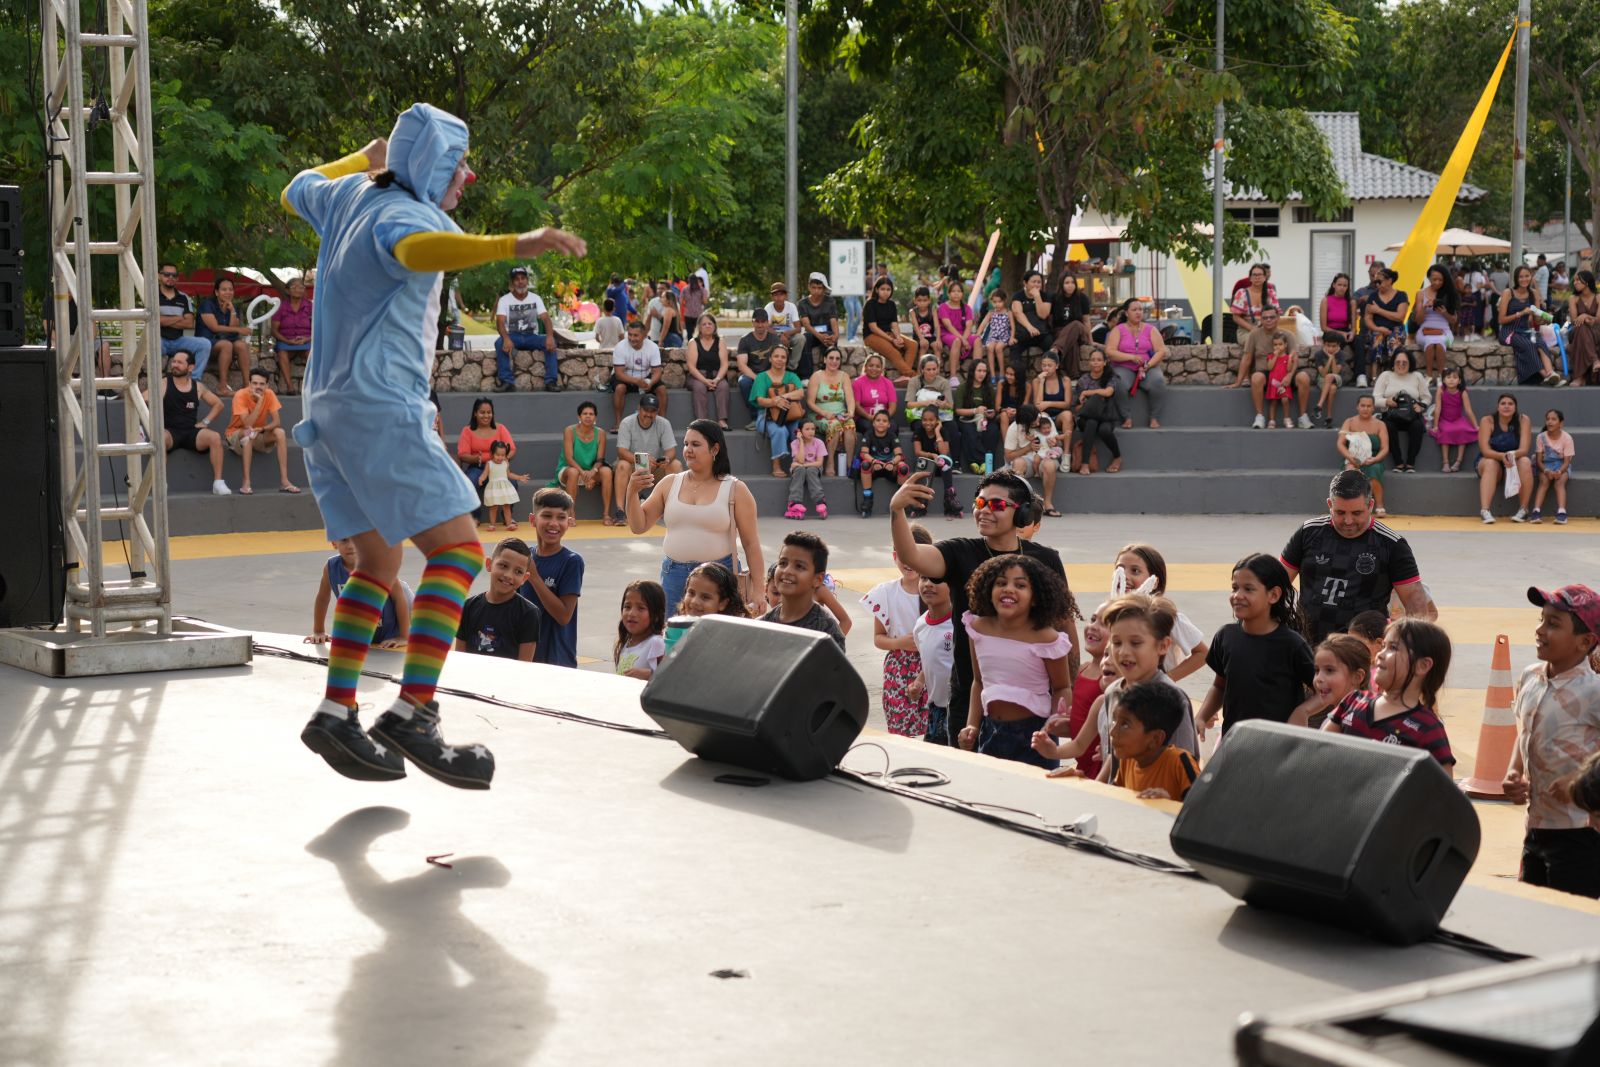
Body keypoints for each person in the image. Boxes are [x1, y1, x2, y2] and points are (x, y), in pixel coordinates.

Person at [282, 104, 586, 788]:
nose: (468, 176)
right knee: (458, 551)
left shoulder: (349, 192)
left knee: (378, 562)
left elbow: (294, 184)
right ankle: (414, 709)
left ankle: (336, 709)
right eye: (457, 164)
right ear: (426, 167)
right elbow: (417, 252)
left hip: (323, 409)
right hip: (379, 404)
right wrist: (514, 243)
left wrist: (358, 159)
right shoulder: (409, 218)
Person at [889, 469, 1077, 743]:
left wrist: (1067, 696)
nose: (984, 511)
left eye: (997, 505)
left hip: (1033, 704)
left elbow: (1064, 626)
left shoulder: (1046, 559)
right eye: (980, 503)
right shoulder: (959, 552)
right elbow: (912, 555)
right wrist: (896, 511)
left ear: (1022, 514)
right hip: (970, 699)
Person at [1035, 592, 1199, 779]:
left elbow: (1185, 769)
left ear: (1163, 646)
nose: (1123, 652)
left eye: (1135, 643)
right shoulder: (1113, 692)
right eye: (1117, 642)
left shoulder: (1172, 700)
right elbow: (1114, 758)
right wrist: (1096, 789)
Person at [1503, 585, 1600, 898]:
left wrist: (1579, 780)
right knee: (1532, 912)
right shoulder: (1530, 677)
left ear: (1585, 642)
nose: (1540, 630)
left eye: (1554, 624)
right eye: (1541, 619)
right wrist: (1514, 772)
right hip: (1536, 826)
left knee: (1571, 921)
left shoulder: (1594, 692)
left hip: (1581, 832)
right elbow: (1526, 731)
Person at [627, 419, 766, 616]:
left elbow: (751, 544)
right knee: (674, 637)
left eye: (695, 444)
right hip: (674, 575)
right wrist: (632, 492)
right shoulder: (669, 483)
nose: (688, 450)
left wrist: (759, 590)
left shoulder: (736, 489)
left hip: (719, 578)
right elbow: (638, 526)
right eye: (685, 444)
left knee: (716, 638)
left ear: (715, 449)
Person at [956, 554, 1074, 768]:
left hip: (1035, 735)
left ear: (1035, 597)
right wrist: (971, 725)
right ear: (989, 591)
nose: (1009, 589)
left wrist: (1053, 724)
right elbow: (979, 682)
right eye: (1001, 583)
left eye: (1020, 585)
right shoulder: (978, 629)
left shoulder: (1047, 638)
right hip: (990, 730)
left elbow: (1062, 687)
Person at [1280, 469, 1427, 642]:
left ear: (1371, 506)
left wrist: (1407, 649)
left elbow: (1415, 602)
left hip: (1361, 651)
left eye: (1357, 513)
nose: (1348, 521)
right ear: (1329, 505)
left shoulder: (1392, 544)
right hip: (1305, 644)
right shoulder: (1308, 532)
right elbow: (1276, 583)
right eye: (1340, 512)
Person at [1196, 554, 1314, 739]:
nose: (1237, 595)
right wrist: (1202, 716)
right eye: (1235, 588)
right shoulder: (1225, 636)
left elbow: (1325, 690)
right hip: (1235, 741)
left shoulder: (1292, 644)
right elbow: (1220, 686)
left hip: (1279, 746)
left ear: (1273, 595)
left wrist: (1303, 711)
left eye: (1248, 589)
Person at [1324, 618, 1454, 767]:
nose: (1380, 654)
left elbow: (1443, 789)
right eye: (1383, 646)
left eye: (1393, 647)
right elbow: (1316, 752)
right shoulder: (1353, 701)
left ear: (1423, 666)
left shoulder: (1428, 729)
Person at [862, 528, 932, 737]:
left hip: (931, 665)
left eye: (915, 553)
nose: (908, 561)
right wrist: (899, 642)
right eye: (903, 554)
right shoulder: (885, 593)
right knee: (899, 728)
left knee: (933, 727)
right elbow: (878, 638)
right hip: (898, 668)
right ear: (895, 556)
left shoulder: (937, 591)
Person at [1110, 543, 1208, 682]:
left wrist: (1165, 680)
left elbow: (1202, 653)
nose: (1125, 576)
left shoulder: (1166, 617)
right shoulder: (1111, 613)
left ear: (1154, 582)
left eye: (1135, 571)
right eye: (1119, 569)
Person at [306, 536, 412, 651]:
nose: (351, 546)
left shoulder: (378, 564)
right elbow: (323, 598)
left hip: (392, 627)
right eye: (344, 540)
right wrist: (319, 631)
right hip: (361, 630)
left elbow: (399, 598)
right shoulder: (331, 567)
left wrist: (403, 636)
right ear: (334, 543)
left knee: (403, 590)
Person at [147, 351, 230, 495]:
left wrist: (205, 422)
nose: (175, 365)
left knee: (215, 437)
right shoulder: (164, 383)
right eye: (174, 362)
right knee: (160, 438)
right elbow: (141, 398)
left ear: (190, 367)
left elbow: (219, 404)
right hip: (170, 432)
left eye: (180, 362)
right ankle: (160, 483)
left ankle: (218, 483)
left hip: (191, 432)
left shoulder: (198, 387)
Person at [518, 487, 585, 668]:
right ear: (533, 520)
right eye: (547, 516)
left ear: (569, 522)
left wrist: (534, 577)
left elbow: (563, 616)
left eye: (561, 517)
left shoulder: (571, 562)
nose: (554, 523)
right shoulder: (524, 558)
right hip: (526, 657)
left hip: (557, 660)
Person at [1100, 682, 1201, 801]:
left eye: (1125, 725)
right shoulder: (1127, 759)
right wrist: (1081, 782)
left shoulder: (1181, 763)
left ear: (1155, 739)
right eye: (1114, 721)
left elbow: (1203, 809)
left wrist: (1169, 803)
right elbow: (1116, 799)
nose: (1112, 732)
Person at [455, 537, 540, 662]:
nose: (508, 575)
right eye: (503, 565)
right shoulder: (468, 607)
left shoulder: (528, 613)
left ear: (524, 578)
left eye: (518, 571)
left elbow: (524, 667)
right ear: (489, 564)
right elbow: (460, 658)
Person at [760, 531, 845, 650]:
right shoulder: (763, 624)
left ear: (818, 579)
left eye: (799, 566)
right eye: (783, 563)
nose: (787, 571)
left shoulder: (826, 631)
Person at [226, 367, 301, 495]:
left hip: (257, 434)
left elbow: (277, 422)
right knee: (248, 433)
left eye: (262, 384)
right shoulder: (240, 395)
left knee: (280, 433)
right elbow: (247, 424)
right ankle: (246, 483)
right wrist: (260, 402)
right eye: (254, 383)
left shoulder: (270, 394)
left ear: (267, 385)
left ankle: (284, 481)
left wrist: (263, 428)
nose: (258, 387)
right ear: (249, 384)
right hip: (236, 434)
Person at [612, 394, 682, 525]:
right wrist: (641, 459)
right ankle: (620, 512)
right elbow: (621, 452)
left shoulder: (664, 423)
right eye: (646, 410)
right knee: (622, 465)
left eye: (653, 411)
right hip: (632, 466)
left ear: (657, 411)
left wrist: (667, 458)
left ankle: (675, 508)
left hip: (654, 466)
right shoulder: (627, 422)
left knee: (676, 464)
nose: (649, 414)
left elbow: (671, 450)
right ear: (639, 409)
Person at [1238, 305, 1310, 428]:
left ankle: (1302, 417)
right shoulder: (1254, 335)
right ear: (1261, 319)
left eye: (1272, 317)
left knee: (1303, 377)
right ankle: (1260, 417)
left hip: (1286, 372)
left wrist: (1289, 375)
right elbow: (1247, 358)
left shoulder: (1288, 335)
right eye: (1265, 318)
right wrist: (1238, 381)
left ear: (1278, 318)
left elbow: (1294, 357)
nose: (1268, 320)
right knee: (1256, 378)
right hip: (1266, 373)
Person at [492, 265, 555, 393]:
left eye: (523, 278)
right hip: (513, 337)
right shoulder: (504, 300)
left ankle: (551, 381)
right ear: (512, 283)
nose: (520, 282)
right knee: (499, 343)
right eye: (516, 279)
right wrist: (506, 338)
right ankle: (507, 382)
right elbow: (500, 322)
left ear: (527, 280)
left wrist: (549, 337)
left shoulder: (535, 298)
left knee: (551, 342)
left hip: (532, 337)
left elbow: (546, 319)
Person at [1498, 265, 1562, 386]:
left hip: (1526, 331)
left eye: (1527, 276)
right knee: (1527, 345)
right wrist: (1520, 313)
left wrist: (1543, 318)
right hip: (1509, 332)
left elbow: (1537, 320)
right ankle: (1546, 376)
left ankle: (1551, 373)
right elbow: (1501, 320)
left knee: (1540, 342)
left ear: (1531, 277)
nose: (1524, 279)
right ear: (1516, 279)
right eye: (1521, 277)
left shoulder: (1534, 294)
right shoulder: (1508, 293)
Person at [1292, 634, 1371, 730]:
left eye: (1329, 670)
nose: (1318, 678)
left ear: (1357, 677)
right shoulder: (1332, 719)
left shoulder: (1357, 722)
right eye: (1317, 670)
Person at [912, 571, 956, 746]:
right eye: (923, 578)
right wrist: (919, 681)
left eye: (936, 580)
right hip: (936, 709)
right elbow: (930, 659)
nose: (928, 584)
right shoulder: (920, 624)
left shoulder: (960, 624)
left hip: (959, 708)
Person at [1476, 393, 1534, 524]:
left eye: (1510, 404)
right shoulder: (1487, 421)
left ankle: (1524, 510)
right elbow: (1485, 451)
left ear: (1515, 407)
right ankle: (1485, 511)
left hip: (1514, 461)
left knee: (1525, 461)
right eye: (1503, 403)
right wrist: (1502, 456)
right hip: (1491, 460)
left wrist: (1510, 456)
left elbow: (1524, 449)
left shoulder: (1523, 420)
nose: (1506, 406)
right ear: (1498, 407)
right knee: (1490, 463)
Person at [751, 345, 805, 478]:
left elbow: (800, 393)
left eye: (783, 357)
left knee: (796, 432)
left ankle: (797, 464)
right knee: (780, 431)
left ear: (787, 360)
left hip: (790, 414)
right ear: (770, 358)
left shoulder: (792, 376)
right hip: (766, 416)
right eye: (776, 356)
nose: (779, 359)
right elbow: (760, 400)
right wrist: (774, 402)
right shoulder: (762, 377)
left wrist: (782, 397)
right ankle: (776, 465)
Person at [1372, 349, 1431, 473]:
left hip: (1411, 415)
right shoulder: (1385, 375)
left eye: (1405, 362)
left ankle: (1410, 463)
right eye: (1398, 362)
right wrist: (1386, 401)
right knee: (1388, 426)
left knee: (1417, 426)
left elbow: (1427, 397)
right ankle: (1398, 462)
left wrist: (1421, 406)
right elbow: (1376, 398)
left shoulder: (1417, 376)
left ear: (1410, 363)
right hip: (1391, 413)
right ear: (1393, 363)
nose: (1401, 365)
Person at [552, 399, 612, 521]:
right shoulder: (569, 430)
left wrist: (592, 472)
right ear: (579, 416)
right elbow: (569, 458)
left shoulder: (600, 433)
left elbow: (600, 459)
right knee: (573, 472)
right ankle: (570, 513)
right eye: (585, 414)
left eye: (591, 414)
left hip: (590, 471)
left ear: (595, 417)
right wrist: (584, 473)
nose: (588, 417)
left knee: (607, 472)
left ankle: (606, 514)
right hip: (569, 470)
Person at [457, 397, 515, 519]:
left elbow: (512, 449)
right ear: (475, 413)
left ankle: (507, 517)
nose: (486, 416)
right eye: (482, 412)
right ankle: (475, 517)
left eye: (489, 412)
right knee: (469, 484)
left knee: (513, 483)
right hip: (477, 468)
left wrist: (506, 458)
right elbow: (462, 454)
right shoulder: (467, 430)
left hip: (499, 468)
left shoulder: (500, 428)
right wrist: (475, 459)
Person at [197, 276, 254, 396]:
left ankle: (247, 385)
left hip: (227, 340)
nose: (228, 292)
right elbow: (215, 328)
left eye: (230, 289)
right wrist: (240, 329)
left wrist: (232, 310)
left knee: (242, 345)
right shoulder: (207, 305)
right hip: (208, 341)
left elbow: (232, 330)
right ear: (217, 292)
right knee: (227, 345)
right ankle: (222, 387)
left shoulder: (233, 307)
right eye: (224, 289)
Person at [805, 344, 857, 474]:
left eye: (837, 359)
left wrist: (850, 413)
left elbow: (850, 399)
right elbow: (810, 402)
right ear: (824, 359)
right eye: (831, 358)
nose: (834, 361)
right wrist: (824, 413)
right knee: (834, 426)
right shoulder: (817, 376)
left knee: (850, 426)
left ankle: (849, 465)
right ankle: (830, 464)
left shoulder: (844, 376)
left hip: (840, 413)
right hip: (820, 414)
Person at [1003, 404, 1062, 515]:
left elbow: (1057, 441)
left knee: (1049, 465)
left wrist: (1055, 442)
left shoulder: (1045, 420)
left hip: (1045, 458)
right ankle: (1019, 505)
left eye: (1038, 418)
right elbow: (1008, 455)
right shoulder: (1015, 428)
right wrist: (1028, 448)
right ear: (1025, 424)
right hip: (1027, 461)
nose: (1038, 423)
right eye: (1035, 422)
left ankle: (1048, 504)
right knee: (1018, 463)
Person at [1337, 395, 1390, 516]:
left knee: (1374, 470)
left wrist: (1375, 459)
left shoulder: (1380, 424)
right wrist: (1350, 457)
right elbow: (1340, 444)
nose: (1365, 408)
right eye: (1363, 405)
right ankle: (1351, 508)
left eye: (1369, 406)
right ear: (1357, 407)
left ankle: (1380, 506)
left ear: (1373, 408)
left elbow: (1385, 448)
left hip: (1373, 459)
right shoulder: (1349, 422)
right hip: (1352, 457)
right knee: (1350, 472)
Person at [610, 319, 667, 427]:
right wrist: (636, 381)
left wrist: (650, 382)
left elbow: (657, 372)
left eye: (636, 335)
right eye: (630, 335)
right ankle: (618, 423)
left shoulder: (653, 347)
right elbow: (618, 373)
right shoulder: (620, 347)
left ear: (644, 335)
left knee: (662, 389)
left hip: (645, 376)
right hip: (625, 377)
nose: (632, 338)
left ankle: (662, 424)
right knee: (620, 388)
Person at [735, 308, 784, 428]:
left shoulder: (774, 339)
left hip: (770, 373)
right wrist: (758, 378)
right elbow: (742, 365)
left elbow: (780, 360)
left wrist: (769, 377)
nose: (760, 324)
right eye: (757, 321)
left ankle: (775, 416)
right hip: (752, 375)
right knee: (743, 382)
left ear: (767, 323)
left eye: (763, 321)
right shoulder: (745, 340)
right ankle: (756, 417)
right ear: (753, 322)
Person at [1072, 349, 1120, 475]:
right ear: (1089, 363)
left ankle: (1117, 457)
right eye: (1093, 360)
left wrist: (1088, 393)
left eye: (1099, 360)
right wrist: (1082, 405)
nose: (1095, 363)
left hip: (1105, 416)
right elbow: (1076, 408)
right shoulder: (1083, 380)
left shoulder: (1111, 377)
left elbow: (1108, 392)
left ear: (1105, 362)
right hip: (1086, 419)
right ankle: (1085, 464)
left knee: (1104, 430)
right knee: (1091, 422)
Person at [1409, 263, 1459, 382]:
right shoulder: (1421, 294)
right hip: (1424, 331)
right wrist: (1423, 307)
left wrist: (1444, 313)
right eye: (1434, 279)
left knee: (1440, 341)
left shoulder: (1449, 294)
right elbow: (1418, 320)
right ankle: (1429, 375)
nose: (1437, 282)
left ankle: (1442, 376)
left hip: (1445, 331)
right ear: (1429, 278)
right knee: (1431, 341)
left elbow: (1453, 320)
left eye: (1440, 280)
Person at [910, 406, 962, 519]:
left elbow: (944, 451)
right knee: (923, 462)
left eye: (931, 420)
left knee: (945, 462)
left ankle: (950, 499)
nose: (927, 423)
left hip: (939, 466)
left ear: (937, 420)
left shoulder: (943, 431)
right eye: (924, 420)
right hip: (927, 463)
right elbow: (918, 452)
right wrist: (931, 455)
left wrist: (938, 432)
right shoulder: (919, 430)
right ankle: (921, 503)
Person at [861, 275, 916, 380]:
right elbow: (873, 327)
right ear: (877, 290)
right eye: (882, 289)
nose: (885, 292)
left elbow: (894, 324)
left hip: (888, 333)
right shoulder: (870, 304)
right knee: (894, 352)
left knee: (913, 345)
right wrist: (892, 340)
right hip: (871, 336)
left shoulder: (891, 304)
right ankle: (913, 376)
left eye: (888, 289)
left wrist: (898, 337)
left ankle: (904, 376)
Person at [857, 408, 907, 517]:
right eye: (878, 420)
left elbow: (899, 455)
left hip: (889, 466)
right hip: (875, 466)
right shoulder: (868, 434)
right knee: (865, 464)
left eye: (884, 421)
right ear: (873, 423)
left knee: (903, 467)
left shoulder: (892, 435)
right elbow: (863, 453)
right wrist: (875, 461)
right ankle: (867, 499)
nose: (881, 423)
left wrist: (892, 463)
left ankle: (901, 500)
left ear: (889, 424)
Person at [952, 358, 1000, 474]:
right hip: (966, 419)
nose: (982, 374)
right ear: (973, 371)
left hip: (983, 419)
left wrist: (990, 414)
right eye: (979, 371)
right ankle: (980, 461)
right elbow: (958, 411)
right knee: (969, 431)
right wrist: (975, 410)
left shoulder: (988, 389)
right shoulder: (963, 388)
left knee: (992, 430)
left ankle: (984, 463)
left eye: (984, 371)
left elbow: (992, 410)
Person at [1362, 268, 1409, 382]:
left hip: (1396, 329)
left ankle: (1395, 376)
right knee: (1377, 341)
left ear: (1390, 281)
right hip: (1377, 328)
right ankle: (1374, 377)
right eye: (1375, 282)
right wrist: (1378, 328)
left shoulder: (1401, 295)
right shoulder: (1373, 296)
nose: (1377, 284)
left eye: (1380, 281)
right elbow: (1367, 318)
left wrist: (1378, 310)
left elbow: (1400, 317)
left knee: (1393, 343)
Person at [684, 312, 731, 428]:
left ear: (714, 326)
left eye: (710, 323)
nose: (707, 326)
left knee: (723, 386)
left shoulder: (720, 341)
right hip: (697, 376)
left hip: (717, 375)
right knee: (699, 387)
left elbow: (725, 364)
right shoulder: (693, 342)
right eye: (704, 324)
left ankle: (722, 420)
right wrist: (705, 381)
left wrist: (717, 379)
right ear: (699, 327)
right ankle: (702, 422)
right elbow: (691, 367)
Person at [1429, 365, 1478, 473]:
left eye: (1455, 377)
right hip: (1444, 419)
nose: (1451, 380)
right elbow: (1438, 408)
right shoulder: (1440, 391)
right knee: (1445, 431)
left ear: (1459, 381)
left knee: (1463, 430)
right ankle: (1445, 462)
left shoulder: (1463, 392)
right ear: (1444, 380)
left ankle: (1458, 462)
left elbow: (1468, 410)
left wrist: (1476, 426)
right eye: (1448, 377)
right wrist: (1436, 425)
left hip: (1458, 419)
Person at [614, 580, 667, 680]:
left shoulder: (657, 643)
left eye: (641, 608)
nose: (632, 613)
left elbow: (668, 678)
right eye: (627, 607)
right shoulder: (625, 643)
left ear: (656, 615)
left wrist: (649, 675)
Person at [791, 272, 839, 380]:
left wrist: (835, 335)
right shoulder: (802, 303)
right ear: (809, 287)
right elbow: (806, 325)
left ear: (824, 289)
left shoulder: (830, 301)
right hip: (812, 334)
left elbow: (833, 320)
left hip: (827, 334)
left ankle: (831, 372)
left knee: (831, 339)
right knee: (805, 338)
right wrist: (820, 336)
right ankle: (805, 376)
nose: (816, 291)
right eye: (813, 287)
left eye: (819, 288)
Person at [1531, 408, 1574, 524]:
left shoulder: (1567, 438)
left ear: (1561, 423)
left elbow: (1567, 462)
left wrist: (1559, 471)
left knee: (1559, 482)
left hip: (1562, 465)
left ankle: (1561, 512)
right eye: (1548, 419)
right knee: (1544, 481)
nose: (1550, 422)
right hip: (1545, 465)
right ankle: (1536, 511)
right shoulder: (1541, 437)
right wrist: (1546, 471)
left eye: (1554, 419)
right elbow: (1539, 461)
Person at [1007, 270, 1054, 377]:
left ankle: (1049, 375)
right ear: (1025, 283)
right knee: (1014, 349)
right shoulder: (1018, 296)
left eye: (1039, 282)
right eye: (1034, 282)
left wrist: (1037, 297)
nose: (1037, 284)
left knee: (1051, 346)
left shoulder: (1046, 296)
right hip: (1024, 333)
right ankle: (1018, 377)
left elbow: (1043, 315)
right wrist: (1030, 327)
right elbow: (1018, 313)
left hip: (1042, 334)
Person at [271, 276, 313, 394]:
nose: (298, 289)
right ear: (287, 290)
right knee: (282, 353)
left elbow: (318, 328)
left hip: (307, 341)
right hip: (286, 341)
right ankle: (290, 387)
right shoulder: (281, 307)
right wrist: (288, 341)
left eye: (301, 287)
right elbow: (274, 330)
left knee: (312, 354)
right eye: (294, 287)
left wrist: (307, 339)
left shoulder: (310, 306)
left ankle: (311, 385)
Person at [478, 439, 531, 530]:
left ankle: (509, 523)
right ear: (492, 454)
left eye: (503, 455)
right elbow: (485, 474)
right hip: (494, 488)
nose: (500, 457)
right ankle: (492, 525)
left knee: (507, 506)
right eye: (497, 455)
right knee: (493, 507)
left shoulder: (505, 463)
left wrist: (519, 477)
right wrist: (481, 478)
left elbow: (509, 474)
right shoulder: (489, 464)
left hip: (504, 488)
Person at [1048, 274, 1093, 378]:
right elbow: (1050, 319)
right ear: (1061, 285)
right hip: (1061, 332)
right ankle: (1073, 375)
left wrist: (1090, 340)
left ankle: (1056, 349)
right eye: (1067, 283)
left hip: (1080, 331)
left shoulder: (1082, 298)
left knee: (1076, 324)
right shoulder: (1055, 298)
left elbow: (1086, 321)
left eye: (1072, 283)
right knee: (1073, 344)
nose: (1070, 285)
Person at [785, 419, 829, 519]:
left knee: (811, 470)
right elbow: (800, 460)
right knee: (800, 471)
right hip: (798, 468)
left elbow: (819, 463)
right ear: (800, 431)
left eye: (813, 429)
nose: (811, 432)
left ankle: (820, 501)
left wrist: (803, 465)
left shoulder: (819, 442)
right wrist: (800, 442)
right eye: (807, 429)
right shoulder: (795, 443)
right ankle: (794, 503)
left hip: (813, 467)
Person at [675, 561, 750, 619]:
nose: (694, 601)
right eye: (691, 593)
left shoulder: (729, 635)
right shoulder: (675, 628)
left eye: (705, 597)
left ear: (722, 604)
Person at [851, 351, 900, 435]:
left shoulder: (888, 383)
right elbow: (856, 405)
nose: (874, 368)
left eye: (878, 366)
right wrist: (870, 417)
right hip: (864, 418)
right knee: (869, 427)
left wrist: (884, 418)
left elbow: (893, 405)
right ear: (865, 367)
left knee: (893, 427)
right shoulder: (857, 383)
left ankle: (887, 448)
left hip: (884, 417)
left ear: (882, 369)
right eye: (871, 365)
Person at [935, 281, 976, 378]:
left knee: (977, 340)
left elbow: (969, 326)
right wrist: (962, 340)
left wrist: (964, 339)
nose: (956, 293)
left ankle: (975, 373)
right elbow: (949, 326)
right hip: (948, 334)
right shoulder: (943, 307)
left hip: (963, 335)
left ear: (962, 294)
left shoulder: (966, 308)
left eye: (959, 291)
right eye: (953, 291)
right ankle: (953, 376)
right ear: (948, 294)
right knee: (957, 340)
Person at [1029, 351, 1075, 439]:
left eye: (1049, 366)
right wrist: (1042, 382)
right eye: (1043, 365)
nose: (1046, 368)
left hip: (1059, 417)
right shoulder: (1036, 381)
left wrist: (1048, 403)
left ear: (1057, 366)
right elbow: (1038, 406)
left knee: (1068, 414)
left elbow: (1067, 404)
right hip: (1044, 418)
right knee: (1042, 414)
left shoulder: (1065, 380)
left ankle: (1066, 452)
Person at [1318, 273, 1358, 369]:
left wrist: (1352, 333)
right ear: (1334, 285)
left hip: (1345, 330)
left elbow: (1353, 327)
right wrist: (1342, 334)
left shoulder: (1351, 302)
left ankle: (1360, 375)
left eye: (1345, 286)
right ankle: (1335, 370)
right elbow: (1323, 327)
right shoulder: (1326, 301)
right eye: (1339, 285)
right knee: (1338, 340)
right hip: (1330, 331)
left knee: (1359, 341)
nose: (1342, 288)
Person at [1567, 270, 1600, 386]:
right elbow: (1574, 321)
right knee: (1581, 328)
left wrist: (1585, 316)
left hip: (1596, 332)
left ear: (1586, 282)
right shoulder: (1573, 298)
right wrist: (1584, 319)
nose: (1575, 283)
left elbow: (1598, 320)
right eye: (1574, 280)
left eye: (1577, 280)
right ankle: (1594, 360)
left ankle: (1580, 378)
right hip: (1576, 330)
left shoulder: (1598, 297)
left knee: (1583, 328)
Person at [1311, 333, 1350, 427]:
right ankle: (1329, 417)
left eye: (1334, 346)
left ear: (1338, 346)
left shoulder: (1341, 355)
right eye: (1328, 346)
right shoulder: (1319, 354)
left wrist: (1333, 359)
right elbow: (1323, 374)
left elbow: (1335, 372)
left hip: (1337, 378)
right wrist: (1330, 358)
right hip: (1322, 379)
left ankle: (1319, 405)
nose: (1331, 349)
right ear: (1324, 344)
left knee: (1330, 377)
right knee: (1332, 388)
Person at [1230, 263, 1278, 339]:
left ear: (1265, 277)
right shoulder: (1242, 293)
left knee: (1286, 337)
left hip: (1267, 327)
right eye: (1254, 275)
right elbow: (1236, 317)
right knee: (1258, 340)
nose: (1257, 277)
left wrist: (1267, 326)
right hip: (1246, 330)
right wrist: (1252, 328)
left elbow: (1276, 314)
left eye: (1260, 275)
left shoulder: (1271, 293)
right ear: (1250, 278)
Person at [904, 353, 953, 427]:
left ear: (938, 369)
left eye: (934, 369)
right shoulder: (914, 381)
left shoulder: (944, 382)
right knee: (920, 426)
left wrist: (943, 405)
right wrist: (925, 403)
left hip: (940, 416)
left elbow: (950, 406)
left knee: (952, 427)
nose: (932, 372)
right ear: (922, 370)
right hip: (919, 416)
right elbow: (909, 404)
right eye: (928, 369)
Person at [974, 288, 1012, 378]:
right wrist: (978, 334)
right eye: (994, 302)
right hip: (994, 336)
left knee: (998, 348)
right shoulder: (991, 313)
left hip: (1004, 336)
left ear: (1004, 300)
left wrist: (1012, 337)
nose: (997, 304)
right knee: (989, 347)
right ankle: (992, 374)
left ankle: (1002, 372)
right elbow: (983, 323)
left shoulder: (1008, 312)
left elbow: (1012, 327)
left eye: (999, 301)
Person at [909, 285, 941, 366]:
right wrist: (922, 339)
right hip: (918, 337)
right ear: (915, 301)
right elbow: (916, 327)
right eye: (919, 300)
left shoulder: (932, 310)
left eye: (925, 300)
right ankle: (920, 372)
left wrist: (938, 339)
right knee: (924, 345)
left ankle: (937, 371)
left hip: (930, 337)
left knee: (937, 347)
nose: (922, 303)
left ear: (929, 300)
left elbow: (937, 326)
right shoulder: (913, 312)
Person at [762, 282, 800, 347]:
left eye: (781, 294)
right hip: (773, 336)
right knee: (766, 337)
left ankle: (794, 357)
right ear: (772, 297)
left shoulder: (791, 306)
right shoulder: (768, 307)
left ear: (786, 296)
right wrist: (779, 335)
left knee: (801, 338)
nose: (779, 297)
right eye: (776, 295)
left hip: (789, 335)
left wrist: (786, 334)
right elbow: (766, 327)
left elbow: (798, 328)